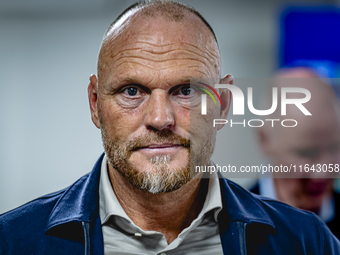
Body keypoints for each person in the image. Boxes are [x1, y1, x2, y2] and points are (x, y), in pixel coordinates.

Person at [0, 1, 339, 254]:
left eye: (186, 91)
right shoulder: (13, 241)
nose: (160, 119)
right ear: (95, 104)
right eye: (132, 91)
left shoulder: (307, 241)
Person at [252, 67, 340, 238]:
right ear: (264, 140)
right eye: (307, 153)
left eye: (334, 148)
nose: (322, 172)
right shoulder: (224, 228)